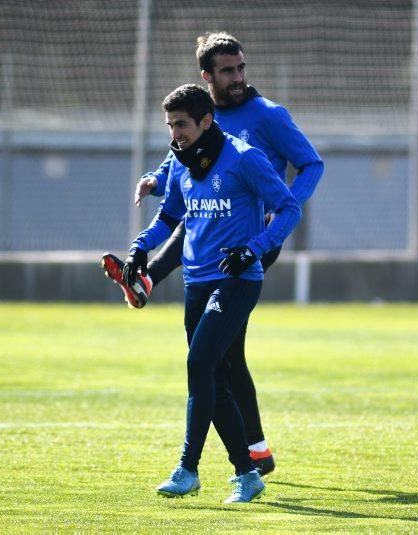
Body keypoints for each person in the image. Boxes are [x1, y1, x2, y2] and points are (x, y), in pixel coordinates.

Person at [102, 32, 323, 476]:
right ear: (208, 78)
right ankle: (255, 453)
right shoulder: (198, 120)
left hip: (250, 247)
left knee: (214, 358)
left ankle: (146, 279)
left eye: (241, 67)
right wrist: (154, 179)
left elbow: (311, 165)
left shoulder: (268, 116)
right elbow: (184, 170)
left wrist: (272, 214)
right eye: (228, 71)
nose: (238, 77)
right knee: (226, 357)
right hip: (211, 248)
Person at [123, 83, 301, 503]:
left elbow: (289, 207)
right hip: (197, 282)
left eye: (181, 124)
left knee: (199, 362)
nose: (174, 134)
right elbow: (168, 218)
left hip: (238, 280)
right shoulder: (183, 163)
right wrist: (139, 248)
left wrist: (253, 249)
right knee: (212, 377)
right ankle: (245, 473)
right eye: (169, 125)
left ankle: (188, 468)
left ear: (206, 121)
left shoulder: (243, 157)